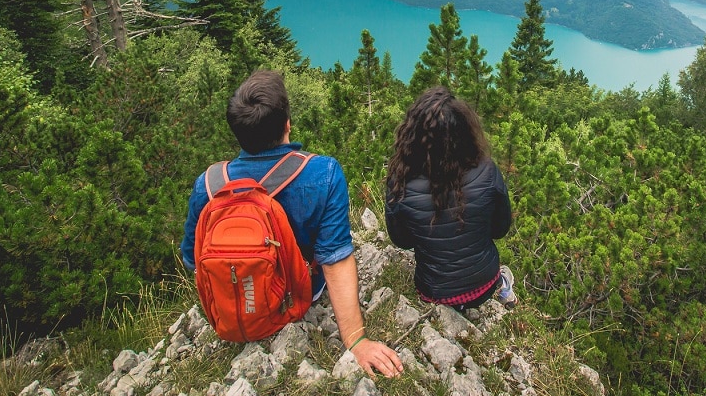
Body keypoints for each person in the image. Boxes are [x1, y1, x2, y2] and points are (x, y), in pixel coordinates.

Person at [182, 70, 402, 378]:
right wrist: (356, 340)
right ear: (287, 123)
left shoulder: (207, 184)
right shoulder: (322, 173)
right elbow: (334, 259)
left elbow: (193, 259)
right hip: (297, 296)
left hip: (228, 306)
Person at [384, 86, 516, 311]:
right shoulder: (487, 171)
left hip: (434, 292)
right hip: (484, 286)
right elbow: (500, 229)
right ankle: (503, 286)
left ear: (411, 135)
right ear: (466, 132)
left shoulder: (399, 183)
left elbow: (402, 241)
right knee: (492, 270)